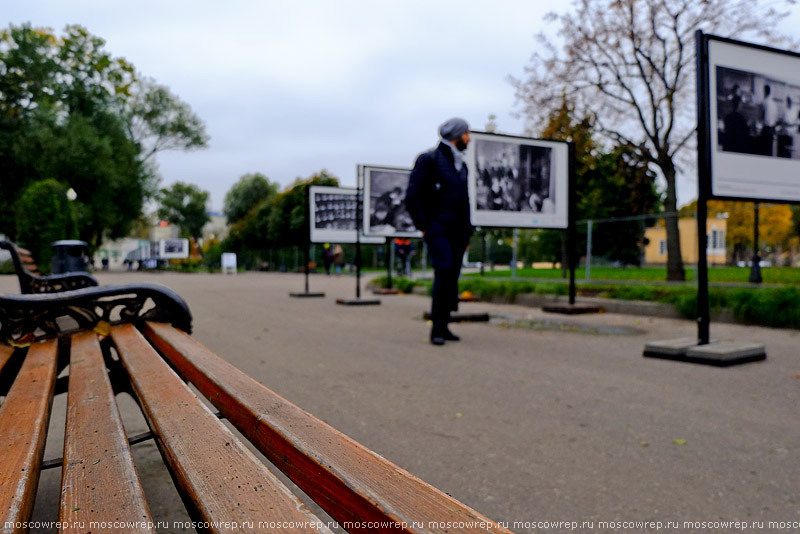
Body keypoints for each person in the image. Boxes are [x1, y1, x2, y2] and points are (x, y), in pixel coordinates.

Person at [405, 118, 474, 345]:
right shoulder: (430, 160)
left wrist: (467, 233)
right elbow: (412, 196)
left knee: (451, 275)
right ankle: (436, 328)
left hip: (457, 233)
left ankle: (444, 326)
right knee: (443, 271)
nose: (469, 138)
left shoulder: (461, 165)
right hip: (438, 229)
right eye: (467, 134)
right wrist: (425, 226)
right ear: (457, 135)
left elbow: (465, 202)